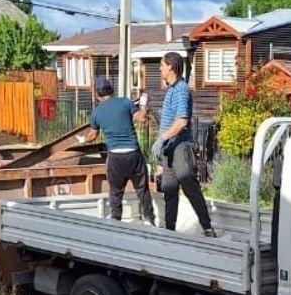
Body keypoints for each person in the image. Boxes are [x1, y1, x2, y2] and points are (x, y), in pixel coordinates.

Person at [153, 52, 216, 237]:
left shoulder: (181, 90)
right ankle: (169, 231)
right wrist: (161, 152)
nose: (159, 68)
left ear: (171, 67)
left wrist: (162, 138)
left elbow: (181, 122)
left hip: (180, 145)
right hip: (169, 148)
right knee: (168, 188)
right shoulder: (171, 90)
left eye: (162, 65)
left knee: (188, 182)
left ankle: (207, 228)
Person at [80, 76, 156, 227]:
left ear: (97, 94)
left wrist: (82, 139)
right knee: (142, 188)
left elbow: (92, 136)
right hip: (133, 153)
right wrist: (143, 104)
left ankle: (116, 218)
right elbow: (141, 118)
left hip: (115, 156)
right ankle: (149, 219)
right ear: (112, 91)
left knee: (115, 191)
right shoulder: (125, 102)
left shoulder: (96, 113)